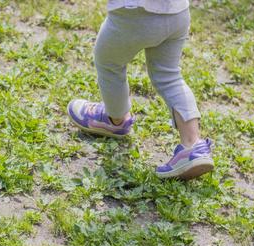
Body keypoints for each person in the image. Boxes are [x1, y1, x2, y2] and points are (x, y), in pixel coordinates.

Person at [67, 0, 214, 180]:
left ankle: (115, 119)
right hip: (177, 12)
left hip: (134, 12)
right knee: (170, 76)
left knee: (109, 63)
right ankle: (193, 145)